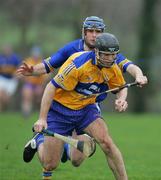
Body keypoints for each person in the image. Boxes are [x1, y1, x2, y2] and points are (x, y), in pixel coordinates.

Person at [17, 16, 147, 167]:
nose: (94, 35)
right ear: (84, 33)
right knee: (50, 163)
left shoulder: (108, 52)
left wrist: (139, 76)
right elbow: (48, 65)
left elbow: (129, 66)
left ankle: (65, 147)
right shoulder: (72, 49)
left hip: (89, 107)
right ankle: (41, 140)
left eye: (97, 31)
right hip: (64, 106)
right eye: (90, 31)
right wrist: (32, 70)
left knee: (77, 160)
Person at [30, 32, 137, 180]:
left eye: (113, 56)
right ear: (96, 51)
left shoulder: (112, 67)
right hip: (60, 110)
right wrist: (42, 119)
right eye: (105, 55)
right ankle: (39, 140)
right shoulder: (77, 64)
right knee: (50, 164)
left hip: (86, 109)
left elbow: (121, 87)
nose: (109, 59)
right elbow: (50, 87)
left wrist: (121, 99)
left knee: (106, 143)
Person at [21, 46, 47, 118]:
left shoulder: (42, 62)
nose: (36, 55)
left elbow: (47, 75)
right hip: (29, 84)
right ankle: (26, 113)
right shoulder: (28, 61)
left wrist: (42, 84)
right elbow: (22, 73)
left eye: (37, 53)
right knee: (27, 96)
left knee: (39, 96)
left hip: (39, 84)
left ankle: (40, 112)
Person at [0, 44, 21, 111]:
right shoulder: (1, 58)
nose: (6, 51)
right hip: (2, 78)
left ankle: (6, 109)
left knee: (6, 99)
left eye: (8, 49)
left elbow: (19, 69)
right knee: (0, 95)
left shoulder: (15, 58)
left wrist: (17, 75)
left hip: (12, 80)